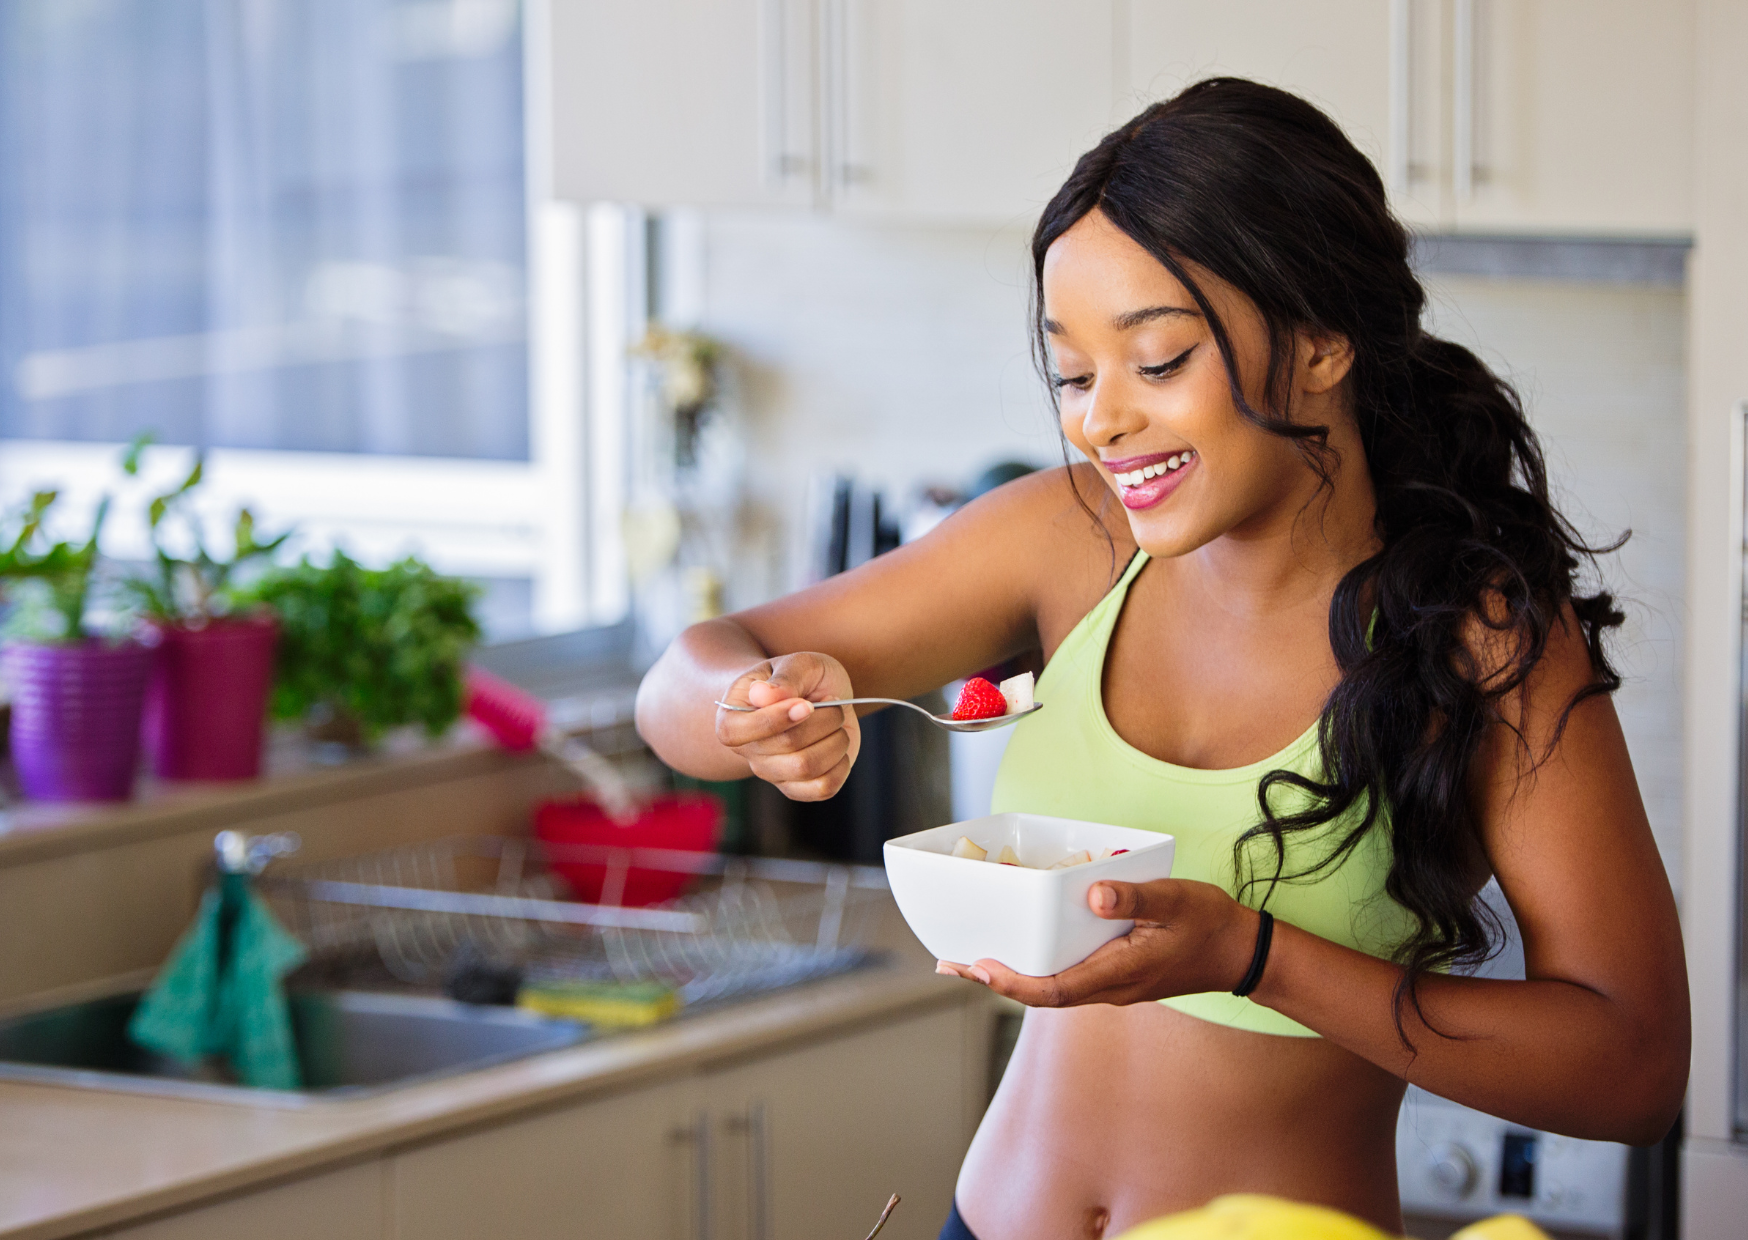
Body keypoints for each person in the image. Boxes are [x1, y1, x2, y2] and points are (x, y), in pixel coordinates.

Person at [634, 79, 1688, 1240]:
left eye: (1157, 359)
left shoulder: (1478, 637)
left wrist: (1250, 957)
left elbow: (1632, 1067)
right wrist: (744, 704)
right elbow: (682, 682)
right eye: (1075, 376)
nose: (1097, 422)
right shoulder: (1065, 538)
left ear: (1324, 341)